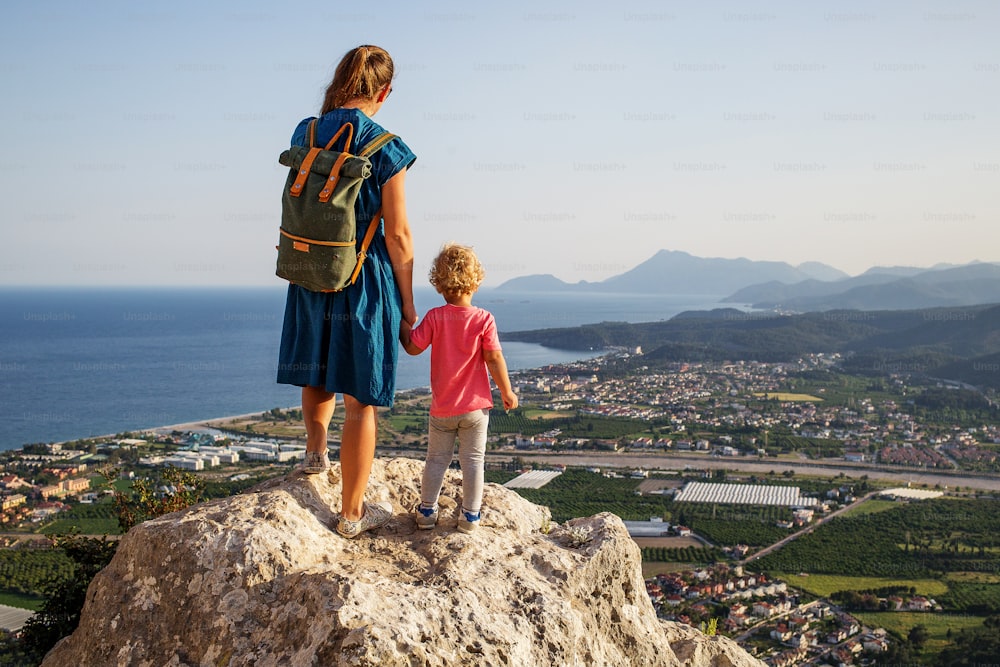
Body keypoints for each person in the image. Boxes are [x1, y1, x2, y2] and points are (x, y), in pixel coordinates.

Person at [276, 45, 417, 539]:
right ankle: (352, 513)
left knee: (315, 366)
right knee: (361, 399)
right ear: (385, 91)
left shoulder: (305, 132)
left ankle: (316, 455)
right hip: (361, 276)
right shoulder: (386, 147)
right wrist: (408, 306)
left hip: (310, 266)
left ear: (339, 81)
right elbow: (397, 235)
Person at [401, 243, 518, 533]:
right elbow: (494, 357)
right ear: (476, 280)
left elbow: (413, 348)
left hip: (443, 409)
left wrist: (402, 325)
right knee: (474, 461)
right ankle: (470, 516)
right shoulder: (483, 319)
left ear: (439, 283)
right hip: (476, 408)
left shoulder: (435, 317)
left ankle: (427, 511)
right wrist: (507, 390)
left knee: (436, 460)